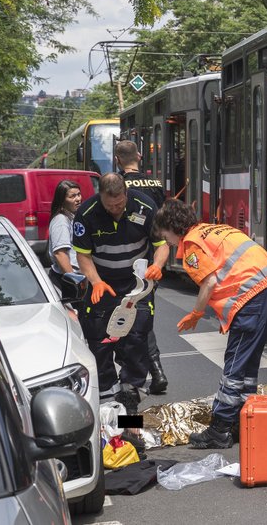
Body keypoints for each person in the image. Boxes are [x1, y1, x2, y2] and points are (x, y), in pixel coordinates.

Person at [152, 198, 267, 449]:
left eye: (164, 234)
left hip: (250, 293)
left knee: (234, 364)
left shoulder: (191, 245)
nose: (165, 240)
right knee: (248, 361)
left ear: (172, 227)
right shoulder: (214, 228)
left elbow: (209, 282)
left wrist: (197, 313)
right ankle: (243, 421)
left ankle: (220, 428)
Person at [72, 173, 168, 413]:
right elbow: (82, 255)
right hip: (102, 285)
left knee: (136, 341)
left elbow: (161, 244)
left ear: (126, 193)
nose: (115, 209)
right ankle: (108, 414)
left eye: (119, 204)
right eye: (109, 205)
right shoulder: (87, 213)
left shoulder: (145, 206)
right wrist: (95, 282)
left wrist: (157, 265)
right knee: (100, 342)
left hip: (138, 286)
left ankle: (131, 414)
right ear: (100, 197)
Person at [115, 139, 169, 394]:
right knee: (142, 316)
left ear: (118, 160)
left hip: (125, 261)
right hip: (152, 259)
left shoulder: (116, 185)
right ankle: (154, 370)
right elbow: (164, 220)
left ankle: (141, 376)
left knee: (131, 318)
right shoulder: (156, 184)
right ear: (139, 155)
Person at [47, 179, 83, 302]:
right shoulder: (61, 220)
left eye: (78, 194)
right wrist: (74, 282)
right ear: (62, 200)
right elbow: (60, 253)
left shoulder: (72, 217)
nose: (78, 199)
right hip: (66, 281)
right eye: (72, 196)